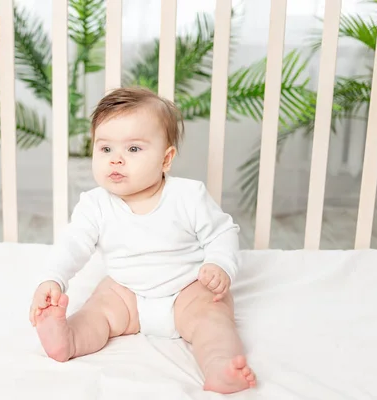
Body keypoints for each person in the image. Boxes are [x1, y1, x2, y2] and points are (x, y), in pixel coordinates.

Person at [28, 86, 256, 394]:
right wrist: (52, 279)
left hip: (187, 290)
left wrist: (219, 264)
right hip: (127, 293)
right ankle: (67, 339)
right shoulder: (95, 204)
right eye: (105, 149)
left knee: (213, 320)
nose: (116, 160)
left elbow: (222, 232)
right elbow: (73, 244)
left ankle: (219, 366)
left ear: (166, 159)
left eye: (133, 149)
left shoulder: (188, 195)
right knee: (97, 311)